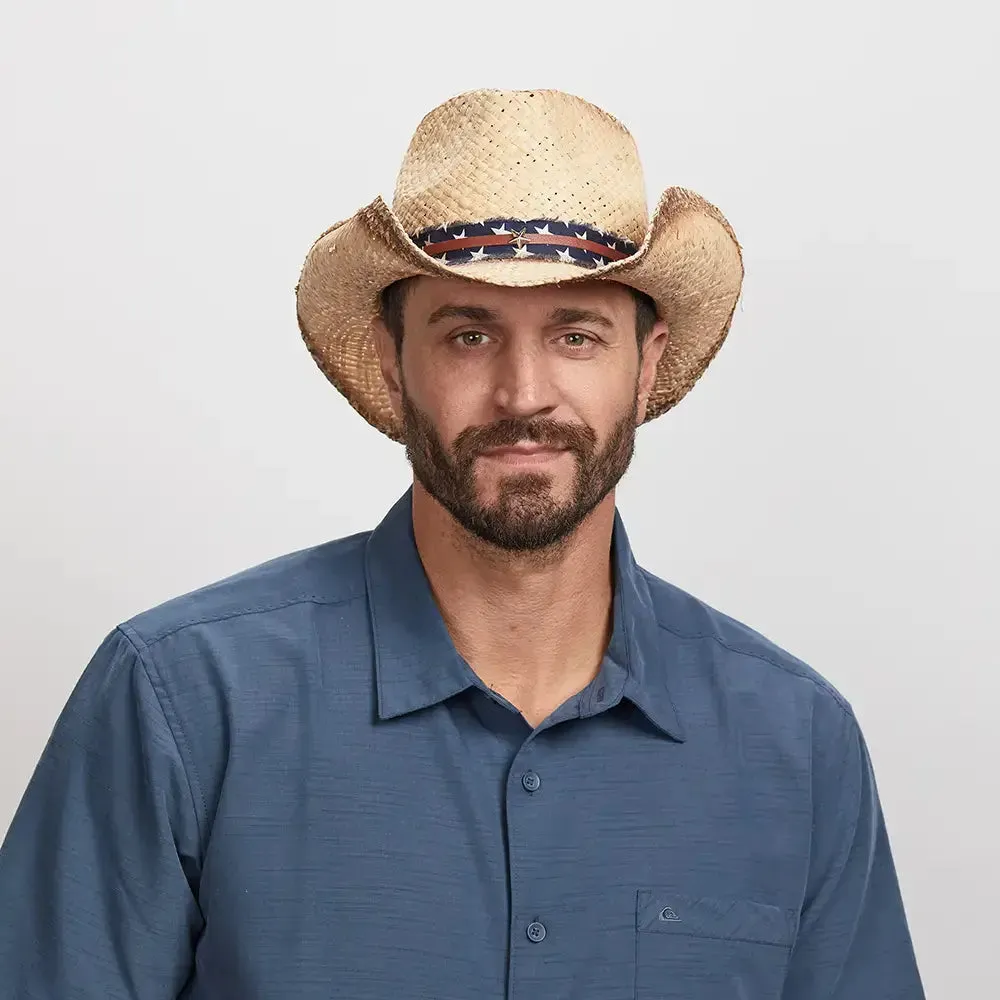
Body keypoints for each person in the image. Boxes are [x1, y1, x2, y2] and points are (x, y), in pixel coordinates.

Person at [0, 88, 924, 999]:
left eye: (576, 334)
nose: (524, 394)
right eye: (470, 334)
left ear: (645, 367)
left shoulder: (796, 742)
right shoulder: (183, 701)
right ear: (396, 363)